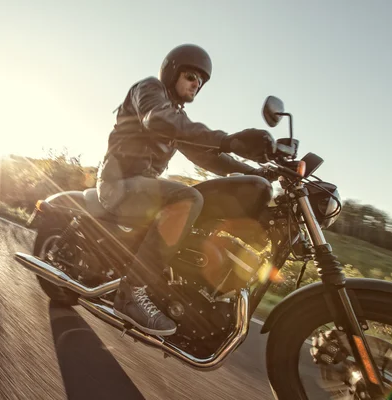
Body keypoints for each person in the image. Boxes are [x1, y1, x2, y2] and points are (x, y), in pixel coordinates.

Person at [96, 43, 277, 336]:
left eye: (201, 81)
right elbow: (159, 119)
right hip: (118, 184)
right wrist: (229, 139)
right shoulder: (150, 91)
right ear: (172, 71)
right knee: (189, 196)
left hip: (143, 189)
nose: (197, 84)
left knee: (205, 202)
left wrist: (257, 171)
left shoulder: (175, 118)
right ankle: (131, 293)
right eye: (192, 76)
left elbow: (209, 155)